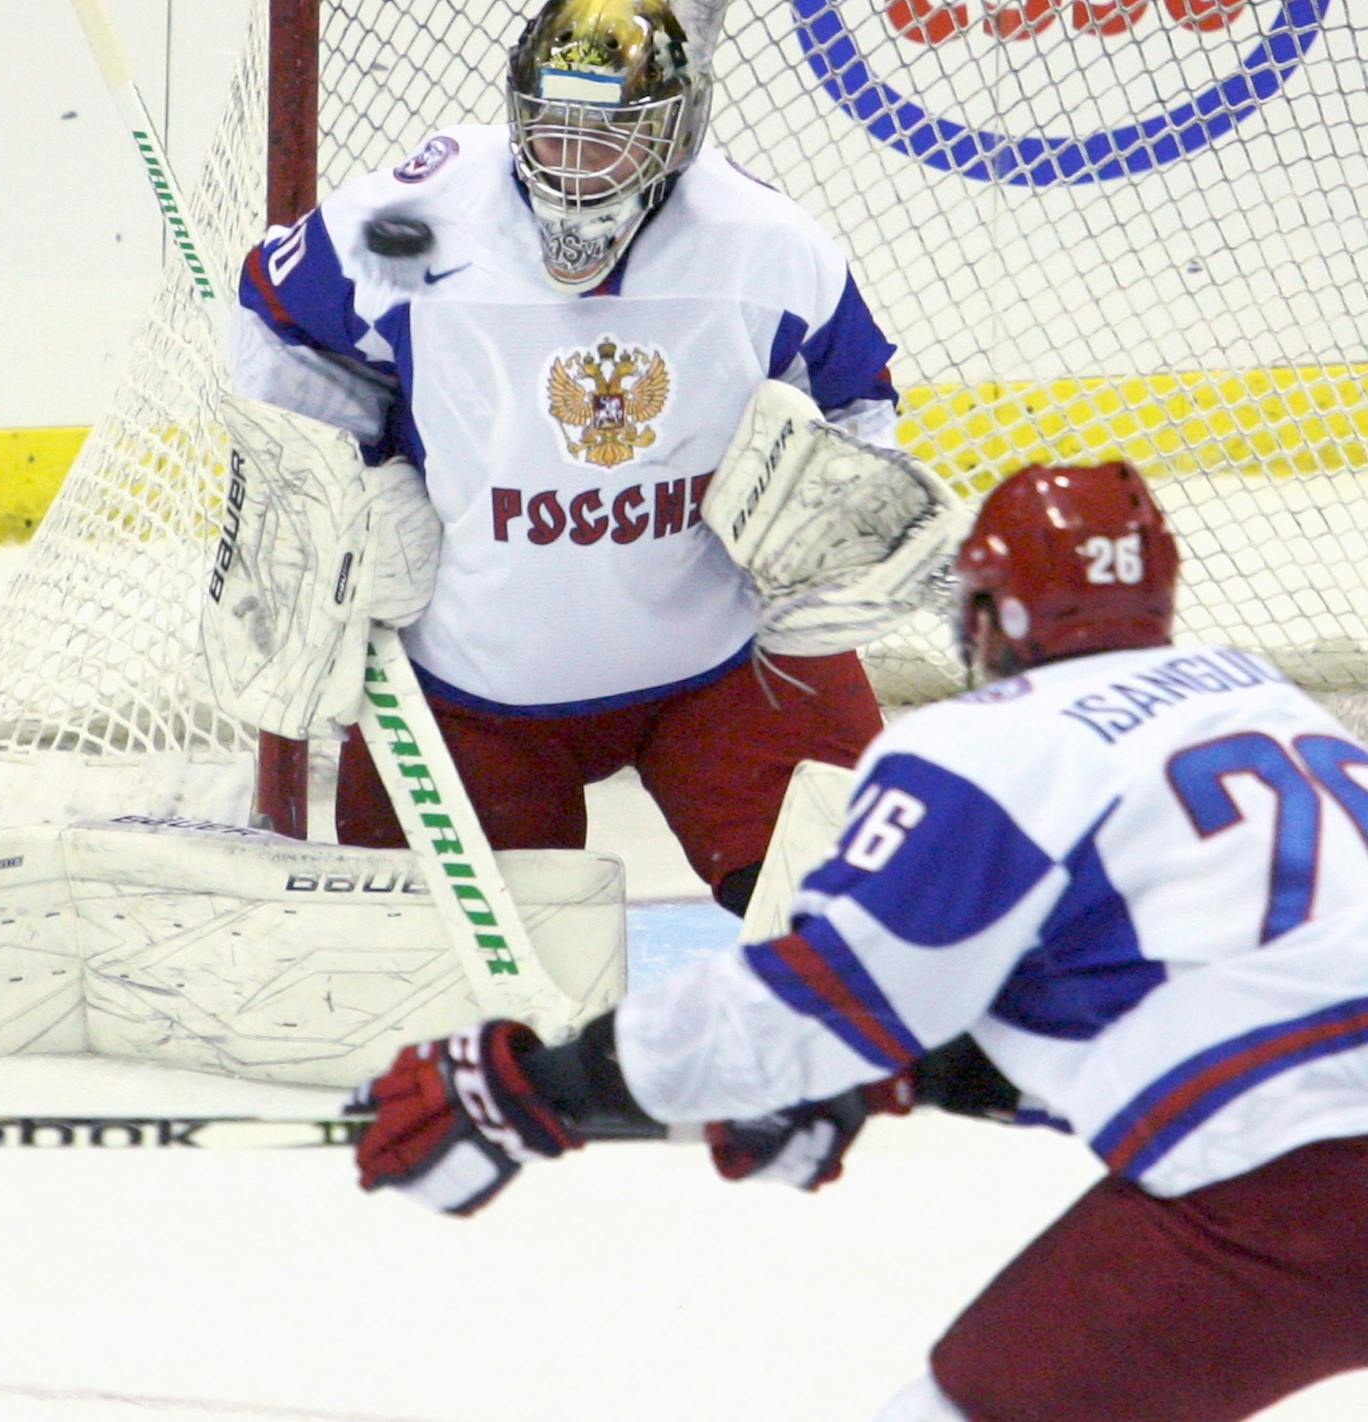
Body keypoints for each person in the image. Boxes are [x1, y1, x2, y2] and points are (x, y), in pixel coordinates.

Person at [349, 458, 1368, 1421]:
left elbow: (806, 1003)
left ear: (988, 613)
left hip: (1284, 1203)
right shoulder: (1263, 700)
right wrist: (881, 1077)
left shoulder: (990, 743)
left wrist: (533, 1085)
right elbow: (1187, 999)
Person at [228, 0, 905, 915]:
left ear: (673, 135)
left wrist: (825, 518)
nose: (579, 164)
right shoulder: (422, 225)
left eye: (615, 136)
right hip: (473, 686)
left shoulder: (762, 245)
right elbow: (278, 318)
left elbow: (858, 401)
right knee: (456, 995)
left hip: (727, 667)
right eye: (554, 129)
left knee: (868, 921)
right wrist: (354, 479)